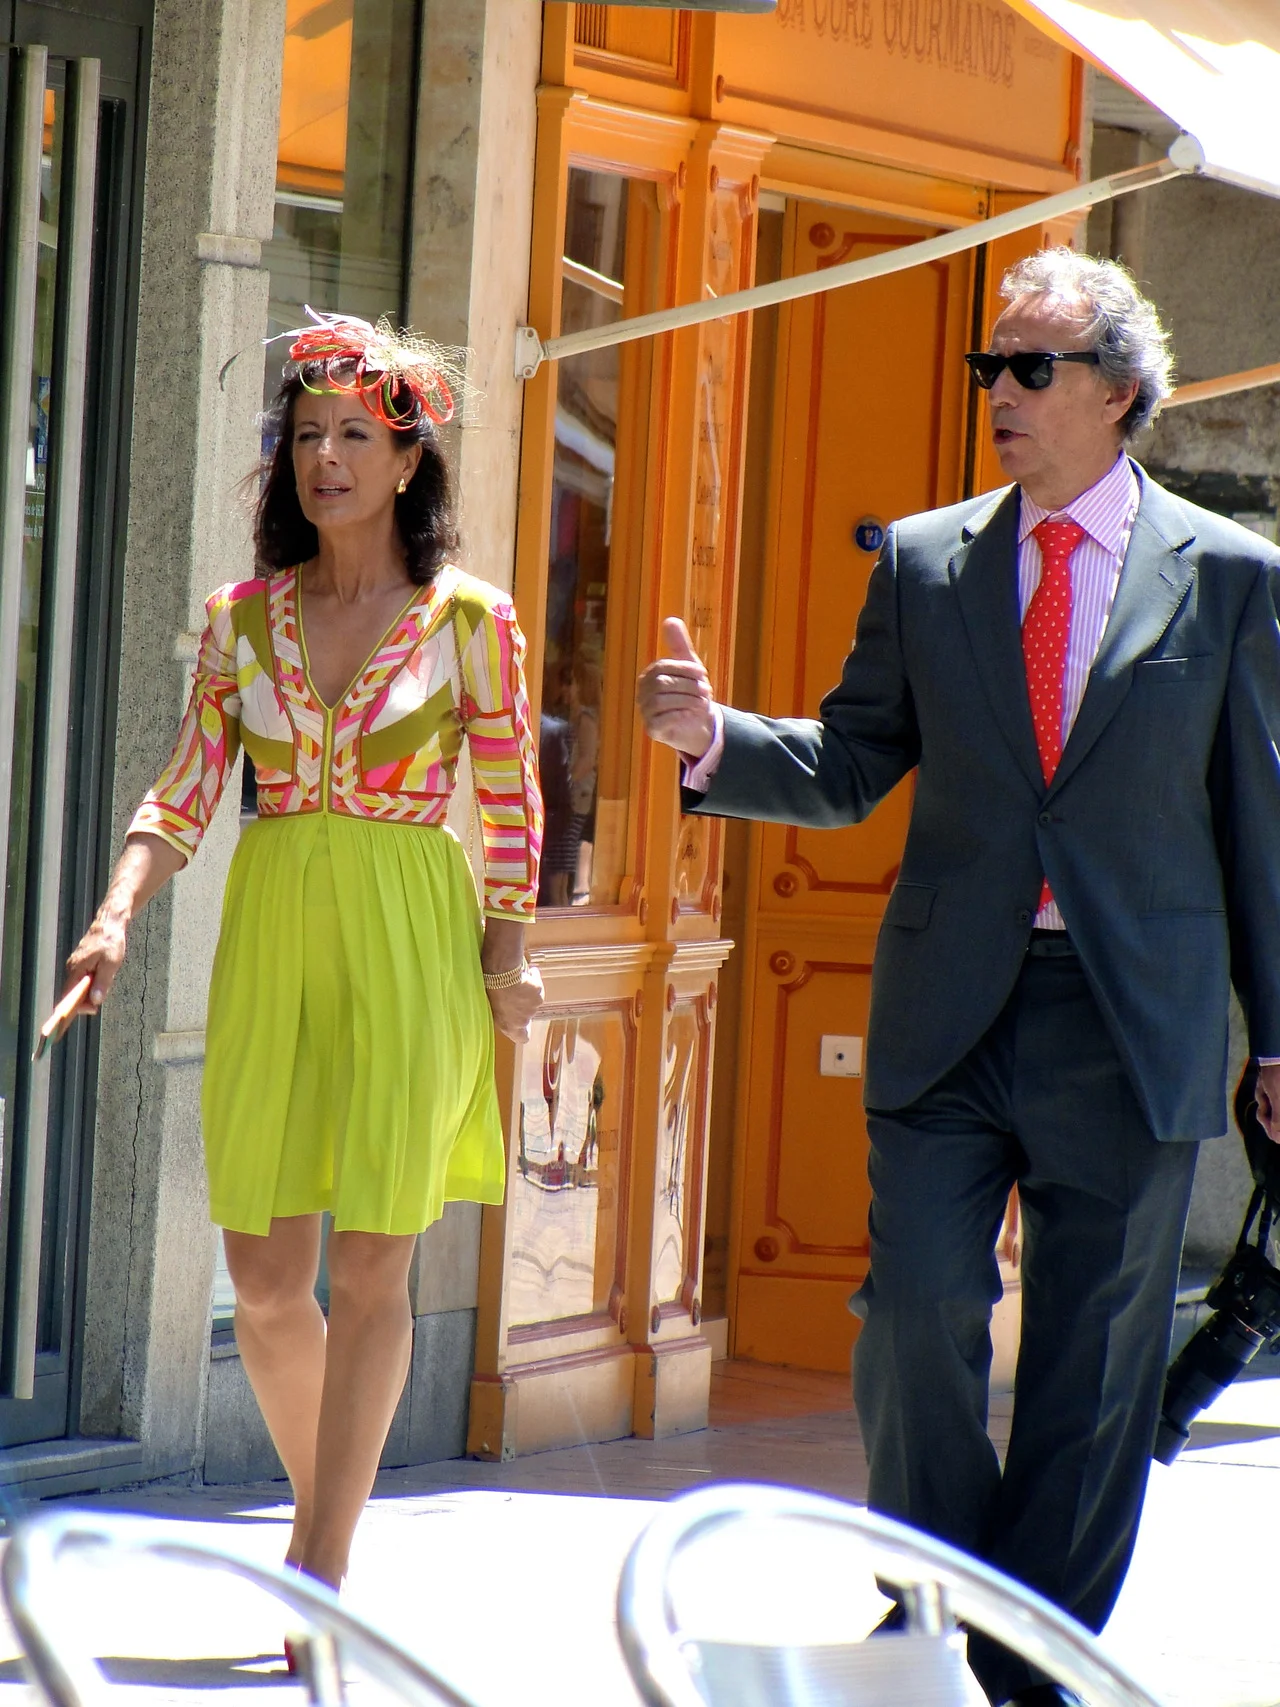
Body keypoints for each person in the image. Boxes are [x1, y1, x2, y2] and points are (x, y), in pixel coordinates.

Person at [637, 248, 1280, 1707]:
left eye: (1029, 367)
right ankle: (939, 1596)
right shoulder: (929, 561)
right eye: (990, 365)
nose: (997, 390)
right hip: (953, 1011)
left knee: (1092, 1361)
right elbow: (856, 758)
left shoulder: (1233, 576)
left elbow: (1262, 823)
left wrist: (1279, 1038)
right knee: (917, 1311)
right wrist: (713, 738)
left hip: (1133, 1024)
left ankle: (1023, 1654)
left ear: (1119, 390)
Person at [60, 312, 545, 1592]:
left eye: (354, 436)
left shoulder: (467, 618)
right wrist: (115, 915)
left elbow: (510, 805)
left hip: (409, 934)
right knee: (266, 1281)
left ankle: (318, 1567)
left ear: (406, 461)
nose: (324, 458)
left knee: (377, 1254)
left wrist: (507, 961)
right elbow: (182, 789)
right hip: (272, 929)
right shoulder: (240, 621)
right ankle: (323, 1510)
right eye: (305, 437)